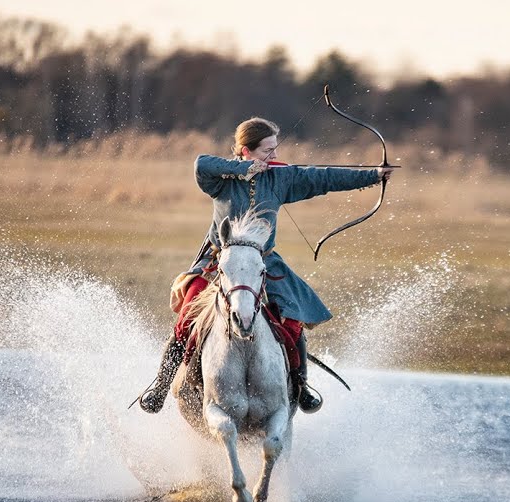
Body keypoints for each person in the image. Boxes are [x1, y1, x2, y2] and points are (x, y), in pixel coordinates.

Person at [138, 116, 393, 414]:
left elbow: (323, 178)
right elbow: (201, 164)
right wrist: (243, 169)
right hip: (219, 259)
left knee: (292, 314)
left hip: (263, 260)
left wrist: (373, 175)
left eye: (274, 149)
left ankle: (301, 387)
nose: (273, 156)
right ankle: (161, 384)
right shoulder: (221, 179)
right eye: (266, 151)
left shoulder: (280, 177)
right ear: (246, 151)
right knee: (188, 316)